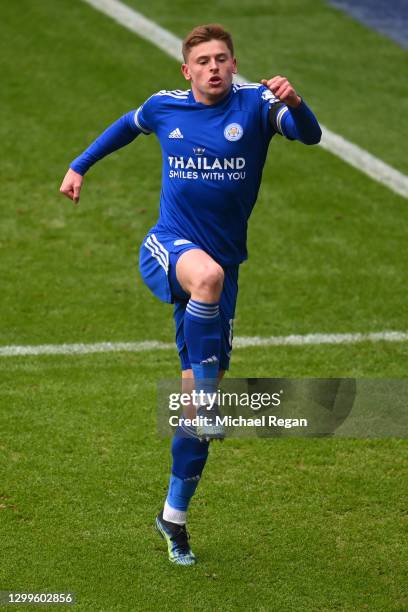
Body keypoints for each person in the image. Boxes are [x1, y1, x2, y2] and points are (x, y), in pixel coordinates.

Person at [60, 23, 322, 566]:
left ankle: (172, 519)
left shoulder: (257, 105)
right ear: (188, 70)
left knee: (192, 408)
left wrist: (297, 102)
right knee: (205, 284)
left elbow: (309, 135)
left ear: (234, 64)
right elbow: (125, 127)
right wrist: (79, 165)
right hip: (169, 247)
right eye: (203, 60)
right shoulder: (166, 106)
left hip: (223, 269)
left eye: (222, 58)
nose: (214, 67)